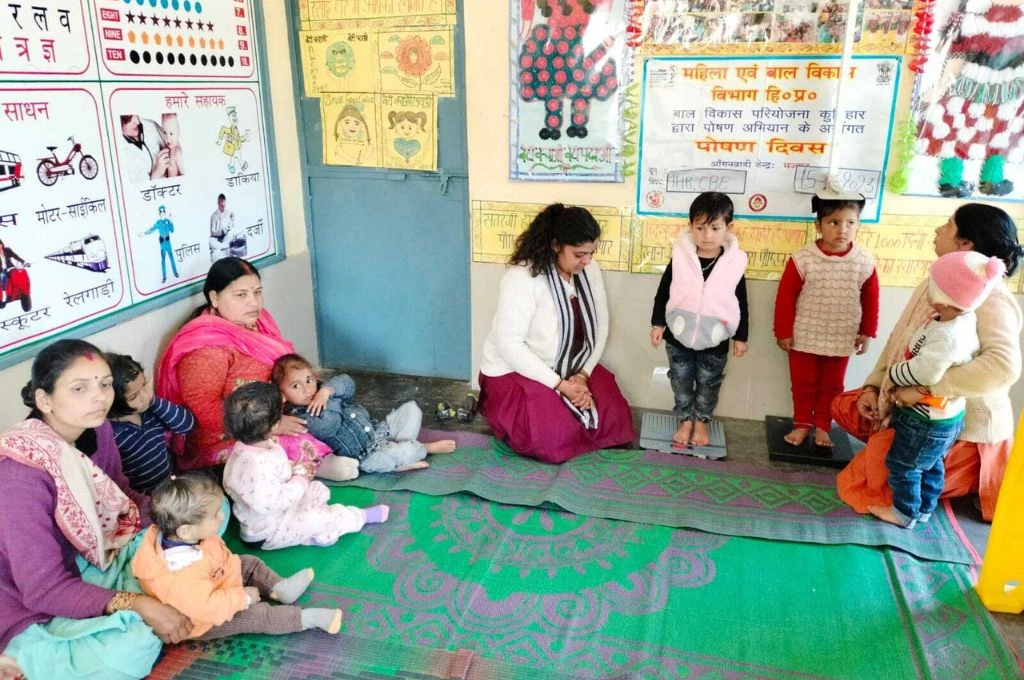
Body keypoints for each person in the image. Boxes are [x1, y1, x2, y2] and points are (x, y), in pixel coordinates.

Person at [0, 340, 192, 680]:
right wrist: (142, 605)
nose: (99, 397)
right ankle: (21, 657)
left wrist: (173, 509)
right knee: (131, 649)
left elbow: (119, 496)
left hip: (91, 557)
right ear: (45, 400)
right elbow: (44, 589)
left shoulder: (98, 428)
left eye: (104, 384)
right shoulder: (20, 478)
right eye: (79, 388)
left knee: (200, 515)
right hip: (25, 599)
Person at [836, 203, 1024, 521]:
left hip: (955, 426)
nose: (938, 230)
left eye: (947, 226)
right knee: (847, 406)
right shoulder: (941, 279)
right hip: (916, 409)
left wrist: (925, 389)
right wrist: (873, 386)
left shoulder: (989, 296)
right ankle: (893, 447)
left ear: (966, 244)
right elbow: (901, 341)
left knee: (869, 484)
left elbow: (1003, 367)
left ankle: (937, 486)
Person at [154, 257, 358, 483]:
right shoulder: (205, 349)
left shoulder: (258, 324)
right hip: (228, 437)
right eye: (241, 295)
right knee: (287, 443)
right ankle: (318, 465)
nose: (253, 302)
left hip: (272, 412)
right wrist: (271, 426)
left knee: (330, 412)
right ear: (214, 297)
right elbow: (205, 410)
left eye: (257, 292)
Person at [478, 203, 636, 464]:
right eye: (579, 254)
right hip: (515, 370)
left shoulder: (588, 270)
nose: (587, 261)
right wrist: (561, 386)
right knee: (552, 434)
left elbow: (600, 327)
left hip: (570, 367)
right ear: (555, 246)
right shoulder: (523, 279)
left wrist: (582, 376)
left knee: (613, 414)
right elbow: (510, 346)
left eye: (591, 253)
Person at [867, 251, 1005, 528]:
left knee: (904, 464)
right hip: (945, 417)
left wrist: (895, 372)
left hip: (925, 419)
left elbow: (927, 371)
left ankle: (904, 512)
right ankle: (925, 508)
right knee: (932, 465)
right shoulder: (956, 320)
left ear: (942, 297)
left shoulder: (947, 335)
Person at [132, 473, 343, 638]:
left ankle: (281, 589)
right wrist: (243, 597)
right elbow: (208, 607)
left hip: (219, 579)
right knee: (258, 616)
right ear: (186, 530)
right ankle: (306, 618)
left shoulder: (192, 536)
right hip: (206, 619)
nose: (222, 516)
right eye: (215, 515)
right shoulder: (179, 575)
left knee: (249, 563)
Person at [221, 382, 389, 550]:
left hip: (279, 510)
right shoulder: (254, 466)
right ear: (274, 426)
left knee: (317, 489)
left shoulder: (248, 447)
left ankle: (310, 534)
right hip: (268, 532)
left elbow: (273, 470)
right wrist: (299, 481)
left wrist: (295, 468)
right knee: (321, 517)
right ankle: (359, 517)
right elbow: (273, 502)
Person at [773, 192, 880, 448]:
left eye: (850, 223)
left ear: (858, 226)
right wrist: (783, 331)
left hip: (841, 336)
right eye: (834, 222)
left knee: (832, 385)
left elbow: (871, 299)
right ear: (818, 225)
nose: (842, 230)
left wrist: (867, 332)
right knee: (803, 384)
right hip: (804, 334)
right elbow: (786, 296)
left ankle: (823, 425)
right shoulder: (803, 258)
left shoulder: (864, 261)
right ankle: (802, 424)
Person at [649, 192, 749, 447]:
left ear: (729, 228)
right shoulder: (681, 257)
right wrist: (658, 323)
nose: (707, 235)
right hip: (677, 333)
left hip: (715, 337)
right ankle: (685, 418)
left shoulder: (734, 263)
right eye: (700, 227)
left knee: (708, 383)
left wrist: (741, 336)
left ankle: (702, 421)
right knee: (680, 380)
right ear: (691, 226)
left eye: (715, 228)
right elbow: (664, 290)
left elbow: (740, 300)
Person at [273, 353, 456, 474]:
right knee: (401, 453)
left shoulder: (322, 390)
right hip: (366, 453)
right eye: (296, 386)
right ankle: (421, 449)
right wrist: (331, 398)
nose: (307, 389)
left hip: (377, 429)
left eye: (308, 380)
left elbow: (347, 383)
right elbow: (330, 424)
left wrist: (327, 391)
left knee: (412, 409)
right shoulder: (301, 416)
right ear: (283, 395)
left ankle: (402, 449)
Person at [108, 353, 196, 494]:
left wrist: (154, 401)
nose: (144, 396)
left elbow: (186, 425)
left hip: (168, 486)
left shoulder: (150, 410)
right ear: (111, 401)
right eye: (133, 396)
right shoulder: (111, 434)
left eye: (144, 385)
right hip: (141, 498)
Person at [119, 114, 170, 183]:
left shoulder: (150, 125)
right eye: (129, 118)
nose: (137, 122)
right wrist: (156, 174)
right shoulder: (119, 152)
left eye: (136, 115)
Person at [138, 205, 179, 284]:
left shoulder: (167, 221)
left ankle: (175, 272)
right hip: (162, 243)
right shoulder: (158, 222)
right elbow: (152, 229)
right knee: (163, 260)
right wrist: (144, 233)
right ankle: (164, 276)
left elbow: (172, 230)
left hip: (168, 242)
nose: (163, 212)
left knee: (171, 258)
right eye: (161, 211)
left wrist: (171, 221)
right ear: (159, 213)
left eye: (164, 211)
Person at [209, 193, 236, 262]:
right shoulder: (214, 216)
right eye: (221, 206)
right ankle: (226, 246)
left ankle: (223, 249)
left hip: (225, 238)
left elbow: (230, 226)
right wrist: (221, 232)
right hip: (217, 239)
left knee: (231, 233)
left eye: (224, 206)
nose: (223, 208)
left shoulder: (227, 213)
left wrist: (232, 221)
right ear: (218, 204)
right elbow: (213, 232)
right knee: (211, 241)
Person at [0, 239, 27, 305]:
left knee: (17, 274)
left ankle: (21, 293)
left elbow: (15, 256)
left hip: (10, 268)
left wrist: (23, 262)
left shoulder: (7, 250)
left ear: (2, 244)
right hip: (1, 271)